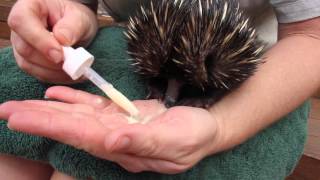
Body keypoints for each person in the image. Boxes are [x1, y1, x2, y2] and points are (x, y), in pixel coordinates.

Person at [0, 0, 320, 179]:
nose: (168, 97)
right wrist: (62, 20)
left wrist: (222, 125)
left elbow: (312, 36)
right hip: (143, 42)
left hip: (261, 73)